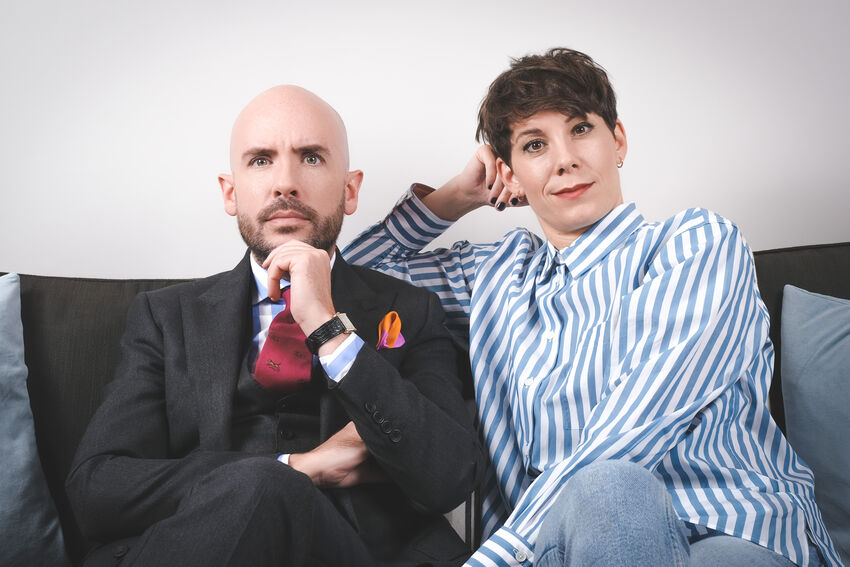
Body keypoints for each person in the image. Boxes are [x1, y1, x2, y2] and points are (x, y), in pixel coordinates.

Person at [344, 48, 844, 567]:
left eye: (580, 129)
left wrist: (495, 558)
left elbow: (634, 428)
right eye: (534, 145)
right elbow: (352, 282)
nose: (564, 159)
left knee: (610, 485)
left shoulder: (696, 244)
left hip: (728, 531)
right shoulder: (495, 277)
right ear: (509, 173)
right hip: (566, 546)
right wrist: (455, 197)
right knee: (607, 494)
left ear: (618, 141)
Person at [66, 85, 483, 567]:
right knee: (263, 484)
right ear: (230, 191)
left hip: (354, 551)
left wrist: (328, 329)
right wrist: (296, 469)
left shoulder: (411, 310)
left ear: (349, 191)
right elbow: (96, 489)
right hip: (197, 546)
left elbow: (450, 476)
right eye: (261, 160)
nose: (285, 182)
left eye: (310, 157)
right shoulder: (164, 316)